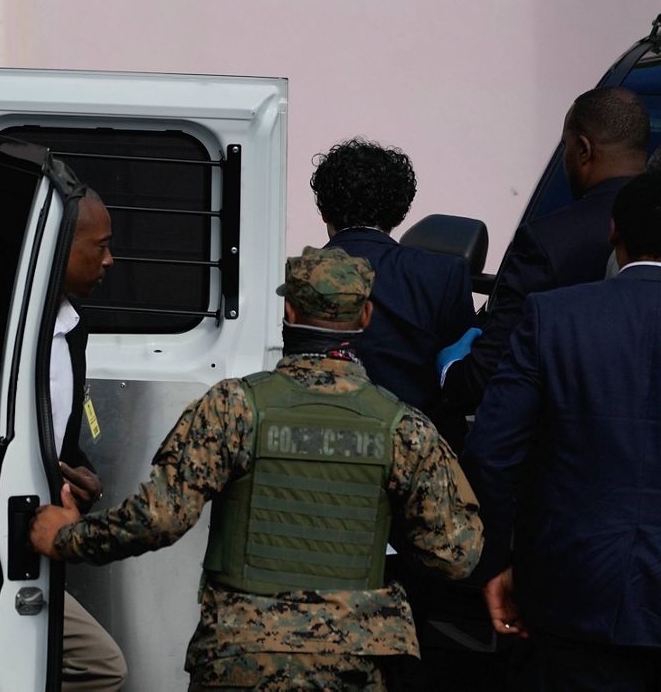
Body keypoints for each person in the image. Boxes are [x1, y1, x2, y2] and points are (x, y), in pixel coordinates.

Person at [31, 246, 483, 691]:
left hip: (240, 655)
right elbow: (455, 555)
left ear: (287, 309)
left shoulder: (233, 407)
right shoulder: (402, 428)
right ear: (365, 317)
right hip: (351, 662)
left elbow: (159, 519)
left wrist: (66, 538)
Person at [462, 171, 661, 691]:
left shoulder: (555, 316)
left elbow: (490, 450)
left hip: (571, 585)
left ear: (614, 231)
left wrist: (495, 561)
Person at [439, 87, 649, 410]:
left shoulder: (546, 241)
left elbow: (487, 378)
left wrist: (450, 371)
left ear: (583, 150)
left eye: (566, 146)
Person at [314, 137, 475, 448]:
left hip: (317, 449)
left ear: (323, 210)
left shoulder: (291, 276)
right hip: (415, 454)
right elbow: (459, 383)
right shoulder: (443, 274)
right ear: (400, 214)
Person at [52, 187, 128, 691]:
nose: (109, 260)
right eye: (98, 246)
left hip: (44, 539)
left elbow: (59, 437)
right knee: (102, 666)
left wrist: (80, 477)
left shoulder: (74, 326)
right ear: (58, 246)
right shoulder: (4, 333)